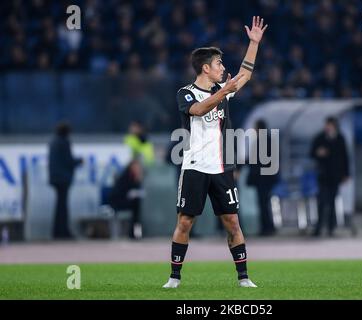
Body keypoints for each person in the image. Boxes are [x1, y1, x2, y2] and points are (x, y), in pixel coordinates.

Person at [162, 16, 268, 289]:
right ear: (206, 68)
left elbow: (245, 75)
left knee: (232, 221)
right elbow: (198, 110)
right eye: (219, 63)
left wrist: (253, 43)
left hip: (222, 168)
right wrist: (224, 93)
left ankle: (244, 278)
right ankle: (174, 278)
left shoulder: (223, 89)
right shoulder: (185, 93)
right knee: (185, 222)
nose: (223, 68)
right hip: (195, 166)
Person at [310, 117, 350, 237]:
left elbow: (345, 157)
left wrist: (346, 174)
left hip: (335, 175)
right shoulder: (320, 138)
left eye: (330, 125)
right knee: (321, 202)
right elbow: (312, 152)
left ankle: (331, 228)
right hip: (323, 175)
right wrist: (318, 153)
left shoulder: (340, 138)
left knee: (332, 202)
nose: (328, 127)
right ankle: (318, 228)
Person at [48, 122, 83, 239]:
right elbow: (68, 161)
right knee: (63, 206)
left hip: (55, 177)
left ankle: (57, 231)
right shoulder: (64, 142)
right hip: (63, 178)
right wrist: (79, 161)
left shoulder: (53, 142)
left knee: (59, 206)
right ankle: (63, 231)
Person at [246, 119, 278, 236]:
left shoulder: (262, 141)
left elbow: (255, 160)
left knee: (263, 203)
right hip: (268, 178)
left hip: (263, 178)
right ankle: (268, 227)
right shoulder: (270, 140)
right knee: (264, 203)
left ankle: (267, 228)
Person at [108, 159, 145, 239]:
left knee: (137, 206)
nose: (137, 169)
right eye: (136, 167)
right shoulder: (125, 176)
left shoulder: (135, 177)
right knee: (136, 206)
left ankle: (136, 233)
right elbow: (119, 193)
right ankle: (135, 233)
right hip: (117, 202)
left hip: (126, 201)